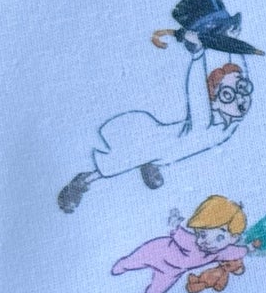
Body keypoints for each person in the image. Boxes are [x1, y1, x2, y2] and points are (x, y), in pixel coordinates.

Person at [59, 50, 253, 211]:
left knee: (161, 153)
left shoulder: (231, 121)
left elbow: (241, 75)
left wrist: (234, 47)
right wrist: (197, 56)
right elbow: (197, 94)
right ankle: (83, 181)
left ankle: (151, 166)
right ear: (215, 102)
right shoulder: (204, 123)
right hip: (152, 142)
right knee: (118, 162)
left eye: (242, 89)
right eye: (227, 95)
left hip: (169, 151)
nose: (240, 98)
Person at [110, 195, 249, 293]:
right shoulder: (190, 242)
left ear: (233, 238)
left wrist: (248, 249)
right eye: (202, 234)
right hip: (158, 251)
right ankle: (123, 265)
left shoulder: (218, 253)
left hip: (173, 271)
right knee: (135, 260)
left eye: (219, 238)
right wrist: (175, 223)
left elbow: (236, 251)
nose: (208, 242)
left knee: (160, 287)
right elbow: (178, 233)